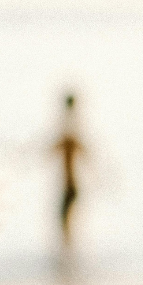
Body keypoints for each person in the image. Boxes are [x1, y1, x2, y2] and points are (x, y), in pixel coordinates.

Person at [53, 92, 83, 248]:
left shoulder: (69, 135)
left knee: (64, 220)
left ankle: (68, 252)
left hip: (70, 185)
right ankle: (68, 252)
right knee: (64, 220)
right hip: (71, 185)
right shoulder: (70, 130)